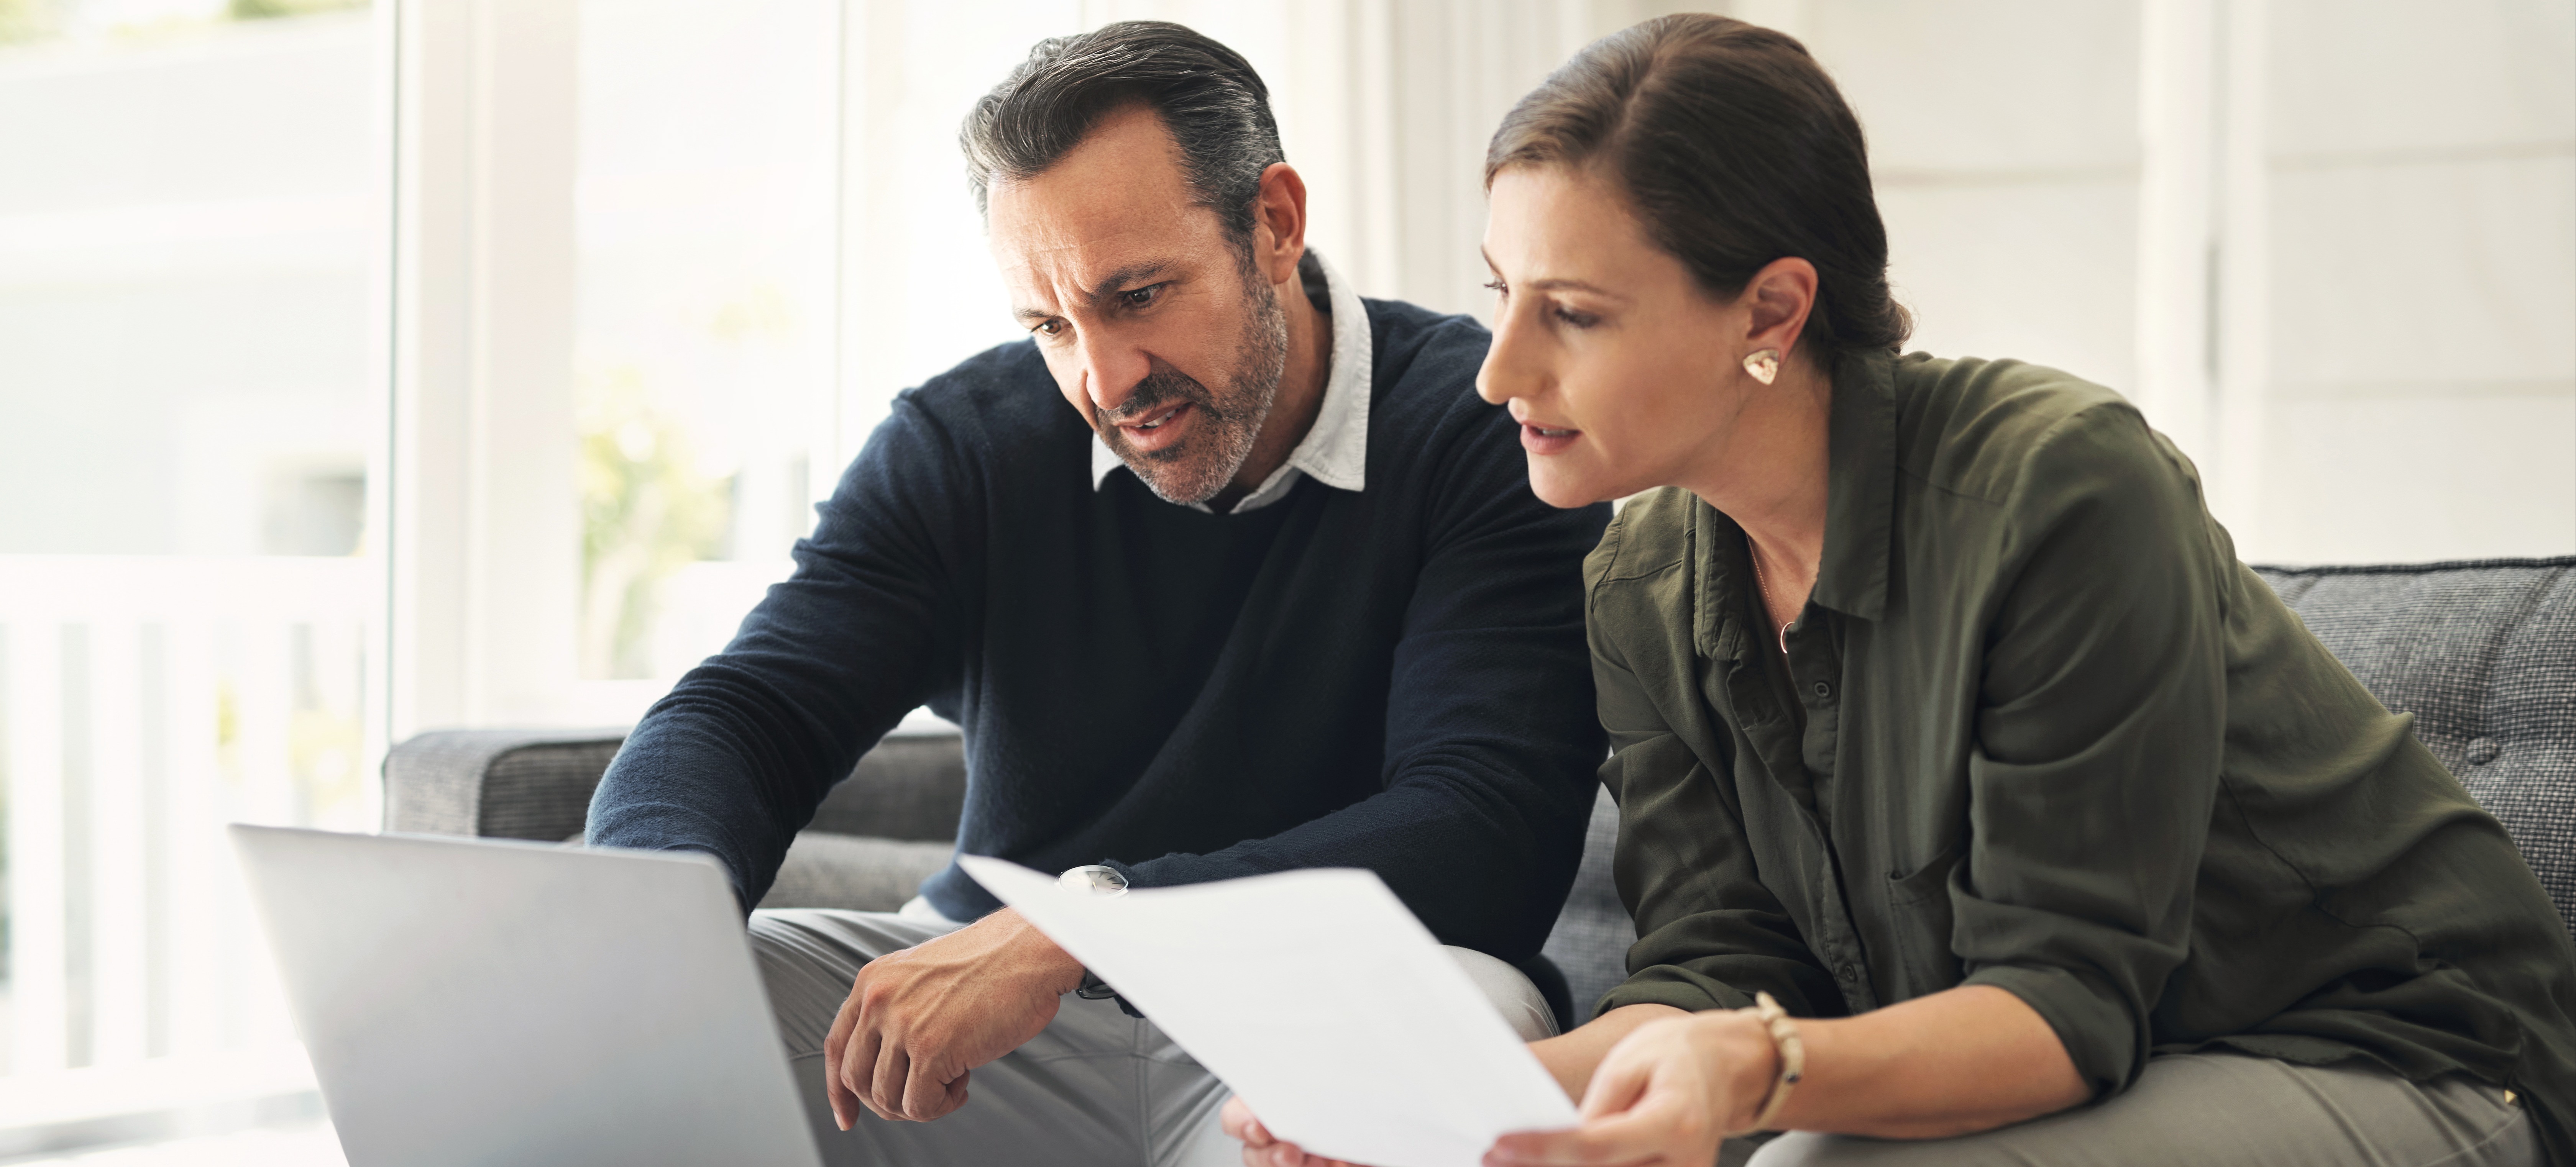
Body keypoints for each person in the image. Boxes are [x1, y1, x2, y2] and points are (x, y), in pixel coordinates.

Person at [1228, 14, 2574, 1167]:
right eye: (1498, 294)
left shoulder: (2059, 490)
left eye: (1571, 312)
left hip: (2401, 1050)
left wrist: (1753, 1072)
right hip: (2113, 1063)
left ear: (1769, 311)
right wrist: (1463, 1104)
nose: (1495, 370)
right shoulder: (1641, 584)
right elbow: (1716, 966)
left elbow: (2064, 1002)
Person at [582, 20, 1611, 1167]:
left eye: (1137, 296)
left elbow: (1484, 827)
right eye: (1050, 326)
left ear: (1273, 223)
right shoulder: (962, 446)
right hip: (990, 1033)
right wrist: (650, 928)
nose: (1104, 380)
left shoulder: (1484, 433)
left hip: (1327, 1018)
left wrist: (1085, 927)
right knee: (600, 1028)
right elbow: (749, 713)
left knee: (1459, 1033)